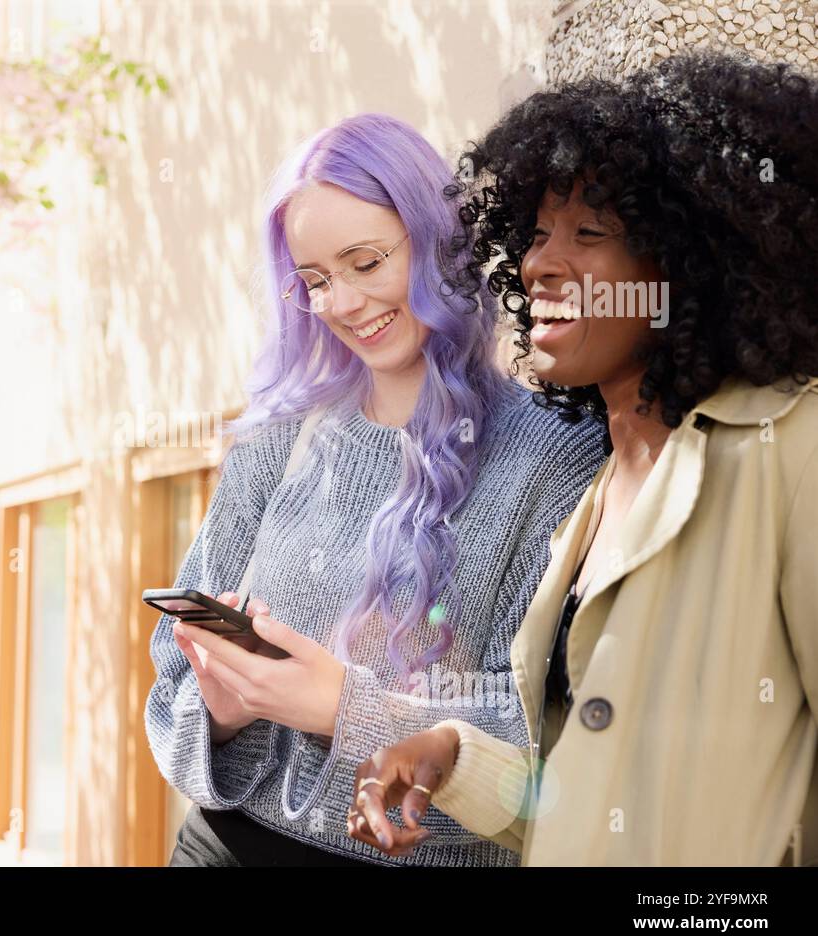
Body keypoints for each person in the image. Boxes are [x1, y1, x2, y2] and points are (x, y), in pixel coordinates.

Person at [348, 51, 818, 866]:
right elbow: (590, 793)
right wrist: (455, 757)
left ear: (686, 264)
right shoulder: (595, 497)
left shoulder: (789, 451)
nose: (539, 264)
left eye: (589, 234)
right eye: (535, 237)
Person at [144, 112, 606, 866]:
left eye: (365, 262)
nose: (342, 304)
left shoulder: (554, 453)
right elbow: (169, 677)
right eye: (316, 281)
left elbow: (541, 735)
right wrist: (222, 710)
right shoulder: (278, 437)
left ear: (436, 241)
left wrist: (341, 707)